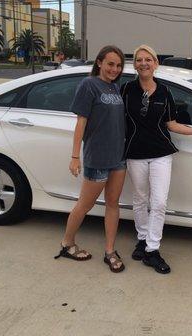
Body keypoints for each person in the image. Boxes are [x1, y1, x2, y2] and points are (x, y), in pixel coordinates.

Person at [121, 45, 192, 274]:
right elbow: (116, 121)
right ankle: (142, 238)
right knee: (139, 198)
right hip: (135, 153)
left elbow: (172, 124)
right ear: (135, 64)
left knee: (158, 202)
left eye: (148, 59)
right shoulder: (126, 90)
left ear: (155, 64)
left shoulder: (165, 92)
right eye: (139, 59)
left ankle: (152, 250)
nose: (144, 63)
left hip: (160, 154)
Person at [54, 45, 127, 273]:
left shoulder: (115, 88)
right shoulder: (89, 85)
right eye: (110, 64)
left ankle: (109, 250)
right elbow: (81, 122)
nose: (114, 69)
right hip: (97, 158)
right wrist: (75, 156)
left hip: (118, 158)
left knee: (113, 204)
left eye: (118, 65)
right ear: (99, 63)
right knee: (84, 205)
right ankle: (67, 243)